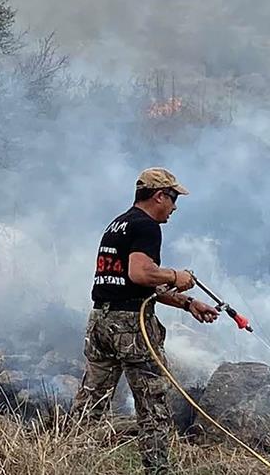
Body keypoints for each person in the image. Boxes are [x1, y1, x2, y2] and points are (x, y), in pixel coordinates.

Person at [71, 167, 220, 475]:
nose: (175, 207)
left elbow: (136, 284)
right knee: (153, 403)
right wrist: (177, 276)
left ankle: (67, 460)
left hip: (101, 320)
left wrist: (189, 303)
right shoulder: (147, 226)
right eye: (174, 198)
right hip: (130, 327)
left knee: (91, 401)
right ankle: (157, 469)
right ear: (159, 196)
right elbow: (140, 273)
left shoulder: (118, 224)